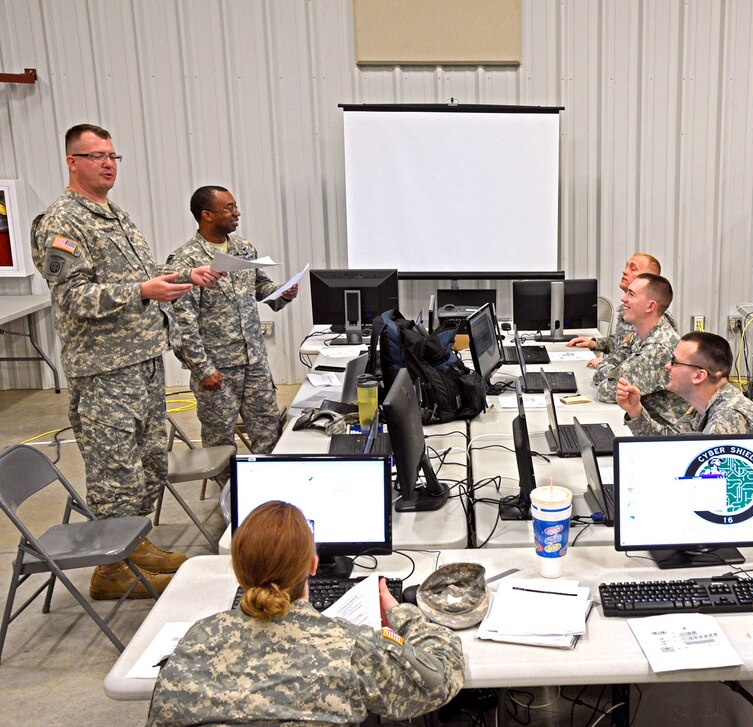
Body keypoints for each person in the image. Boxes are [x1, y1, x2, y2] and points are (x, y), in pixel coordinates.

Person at [31, 124, 221, 600]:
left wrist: (181, 274)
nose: (108, 164)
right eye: (96, 156)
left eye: (113, 155)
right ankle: (111, 571)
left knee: (148, 462)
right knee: (115, 473)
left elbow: (141, 275)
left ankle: (136, 545)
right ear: (72, 161)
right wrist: (142, 291)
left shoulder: (116, 215)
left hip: (142, 363)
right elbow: (73, 298)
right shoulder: (61, 222)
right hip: (103, 374)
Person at [147, 501, 465, 725]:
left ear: (238, 571)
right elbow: (441, 678)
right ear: (313, 565)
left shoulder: (193, 642)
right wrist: (403, 614)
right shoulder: (349, 647)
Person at [167, 186, 298, 454]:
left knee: (269, 430)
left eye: (235, 206)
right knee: (220, 441)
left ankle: (268, 492)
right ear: (207, 215)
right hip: (218, 370)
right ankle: (231, 494)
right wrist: (203, 369)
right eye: (228, 208)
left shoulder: (243, 248)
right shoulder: (186, 261)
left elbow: (262, 289)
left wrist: (283, 292)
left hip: (255, 363)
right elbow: (182, 325)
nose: (236, 213)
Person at [615, 331, 753, 436]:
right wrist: (635, 410)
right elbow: (670, 443)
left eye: (674, 362)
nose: (667, 366)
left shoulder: (727, 418)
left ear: (699, 376)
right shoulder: (705, 403)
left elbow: (712, 482)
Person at [594, 273, 688, 426]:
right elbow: (611, 363)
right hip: (643, 423)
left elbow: (606, 391)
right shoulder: (641, 332)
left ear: (650, 306)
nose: (623, 299)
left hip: (662, 432)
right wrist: (609, 370)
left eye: (631, 294)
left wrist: (606, 369)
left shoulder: (658, 348)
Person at [567, 252, 676, 368]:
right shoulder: (631, 309)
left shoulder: (651, 318)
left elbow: (635, 362)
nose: (624, 271)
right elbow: (622, 342)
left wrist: (605, 363)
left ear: (648, 278)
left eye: (632, 268)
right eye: (626, 266)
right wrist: (595, 344)